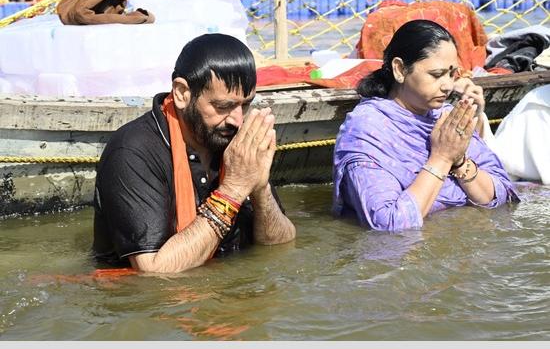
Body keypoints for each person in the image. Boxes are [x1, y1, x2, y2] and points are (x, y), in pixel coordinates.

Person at [93, 33, 296, 273]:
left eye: (245, 105)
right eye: (223, 106)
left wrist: (260, 189)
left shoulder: (232, 138)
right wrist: (233, 190)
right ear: (181, 93)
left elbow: (282, 244)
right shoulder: (132, 151)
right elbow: (153, 272)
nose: (238, 120)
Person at [333, 20, 519, 231]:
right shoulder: (368, 128)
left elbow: (501, 194)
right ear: (400, 69)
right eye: (437, 75)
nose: (448, 85)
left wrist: (458, 162)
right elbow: (388, 224)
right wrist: (441, 158)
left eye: (452, 74)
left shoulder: (447, 117)